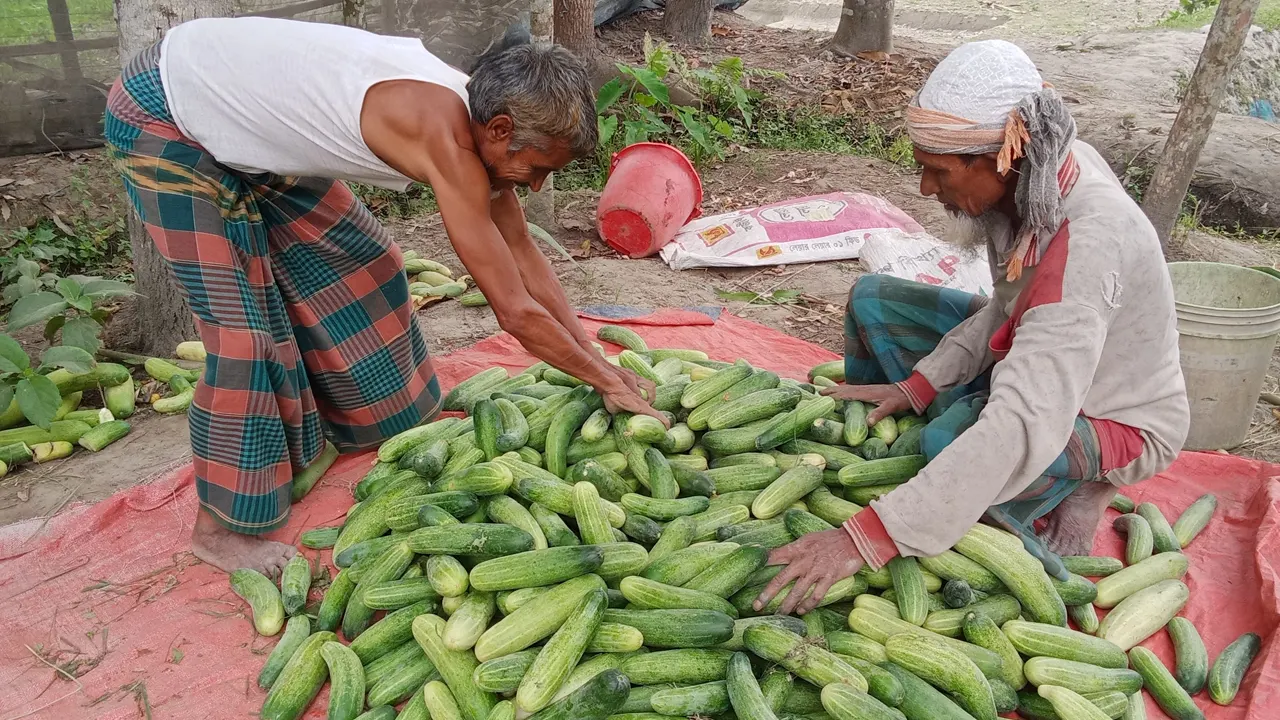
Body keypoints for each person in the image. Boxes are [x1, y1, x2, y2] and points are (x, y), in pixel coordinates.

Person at [103, 17, 665, 576]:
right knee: (244, 340)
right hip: (168, 115)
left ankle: (357, 425)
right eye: (538, 167)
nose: (539, 185)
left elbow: (523, 253)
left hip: (244, 118)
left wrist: (594, 354)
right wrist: (603, 380)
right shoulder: (445, 142)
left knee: (367, 262)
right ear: (498, 129)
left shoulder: (479, 119)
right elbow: (514, 310)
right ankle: (219, 531)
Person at [756, 39, 1190, 615]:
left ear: (1004, 158)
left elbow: (1023, 421)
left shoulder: (1084, 249)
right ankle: (902, 449)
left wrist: (866, 537)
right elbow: (1006, 309)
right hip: (1037, 352)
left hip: (1114, 413)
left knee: (948, 441)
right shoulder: (1041, 175)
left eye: (939, 172)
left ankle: (1083, 489)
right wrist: (918, 385)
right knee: (873, 299)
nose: (926, 190)